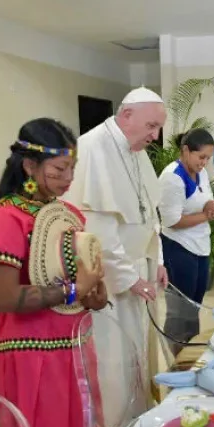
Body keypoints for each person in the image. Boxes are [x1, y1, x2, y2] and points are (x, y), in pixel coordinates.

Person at [0, 118, 109, 427]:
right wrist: (74, 290)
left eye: (72, 168)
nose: (69, 179)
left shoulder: (67, 215)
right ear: (29, 165)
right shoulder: (5, 218)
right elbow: (6, 298)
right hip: (33, 355)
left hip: (74, 346)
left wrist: (94, 294)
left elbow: (90, 289)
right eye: (60, 169)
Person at [63, 86, 168, 392]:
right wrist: (129, 278)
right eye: (151, 126)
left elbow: (149, 213)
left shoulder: (135, 151)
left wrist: (156, 259)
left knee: (141, 354)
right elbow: (98, 231)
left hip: (139, 269)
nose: (155, 136)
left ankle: (141, 419)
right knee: (116, 364)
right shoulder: (93, 147)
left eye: (158, 127)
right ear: (126, 115)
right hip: (112, 280)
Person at [158, 128, 214, 353]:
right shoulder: (172, 177)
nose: (204, 162)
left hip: (200, 246)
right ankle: (176, 355)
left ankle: (190, 352)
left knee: (194, 304)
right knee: (180, 309)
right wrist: (206, 216)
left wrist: (210, 207)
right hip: (179, 247)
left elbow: (205, 198)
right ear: (185, 150)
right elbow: (171, 220)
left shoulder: (201, 172)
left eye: (208, 158)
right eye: (201, 157)